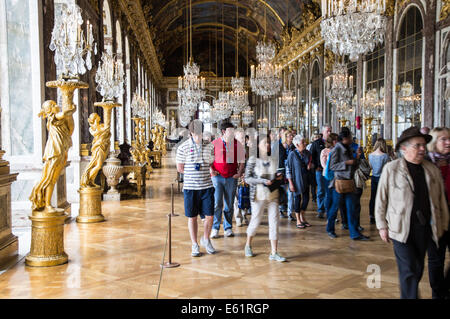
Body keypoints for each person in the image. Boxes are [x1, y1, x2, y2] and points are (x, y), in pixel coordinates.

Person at [375, 126, 449, 299]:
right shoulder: (392, 169)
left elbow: (440, 200)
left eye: (424, 145)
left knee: (417, 269)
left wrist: (443, 224)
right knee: (408, 270)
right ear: (404, 148)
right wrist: (381, 226)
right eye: (418, 145)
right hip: (401, 229)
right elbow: (381, 199)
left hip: (424, 229)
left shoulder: (431, 169)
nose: (423, 149)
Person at [176, 120, 216, 257]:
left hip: (206, 186)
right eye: (195, 133)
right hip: (191, 188)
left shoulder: (209, 146)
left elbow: (211, 163)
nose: (198, 136)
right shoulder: (183, 148)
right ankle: (194, 244)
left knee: (210, 216)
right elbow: (180, 168)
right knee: (192, 217)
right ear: (191, 133)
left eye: (200, 133)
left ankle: (206, 238)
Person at [244, 133, 286, 262]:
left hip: (273, 194)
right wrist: (262, 180)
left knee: (274, 222)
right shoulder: (253, 160)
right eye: (264, 143)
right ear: (258, 145)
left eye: (268, 142)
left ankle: (274, 251)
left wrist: (277, 176)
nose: (267, 145)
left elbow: (274, 174)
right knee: (255, 220)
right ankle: (248, 245)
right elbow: (247, 178)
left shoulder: (273, 159)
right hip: (259, 194)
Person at [326, 129, 369, 240]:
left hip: (349, 182)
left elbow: (353, 166)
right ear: (345, 138)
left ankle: (354, 233)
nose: (352, 139)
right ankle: (330, 229)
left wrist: (358, 157)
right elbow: (332, 166)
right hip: (339, 183)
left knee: (352, 208)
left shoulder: (349, 149)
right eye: (350, 137)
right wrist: (346, 163)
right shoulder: (337, 149)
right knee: (335, 208)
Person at [210, 122, 245, 238]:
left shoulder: (237, 144)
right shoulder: (214, 144)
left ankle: (228, 227)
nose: (233, 132)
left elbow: (242, 161)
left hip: (231, 178)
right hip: (218, 177)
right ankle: (215, 228)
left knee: (229, 204)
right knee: (217, 204)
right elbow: (208, 159)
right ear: (224, 131)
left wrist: (239, 172)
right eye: (231, 130)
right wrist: (211, 170)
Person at [427, 127, 450, 298]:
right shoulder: (426, 164)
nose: (448, 142)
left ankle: (445, 288)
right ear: (434, 142)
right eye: (443, 139)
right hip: (434, 218)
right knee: (436, 259)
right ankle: (438, 293)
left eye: (449, 139)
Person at [286, 135, 312, 229]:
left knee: (306, 199)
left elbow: (309, 163)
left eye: (305, 142)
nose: (305, 144)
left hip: (306, 178)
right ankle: (298, 219)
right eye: (303, 142)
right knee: (297, 198)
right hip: (296, 179)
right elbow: (288, 169)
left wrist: (310, 165)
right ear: (297, 145)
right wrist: (290, 183)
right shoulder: (292, 154)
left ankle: (302, 215)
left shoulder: (307, 153)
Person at [310, 125, 332, 218]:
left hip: (330, 170)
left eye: (330, 131)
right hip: (319, 170)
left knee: (329, 190)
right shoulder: (316, 143)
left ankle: (328, 209)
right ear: (323, 132)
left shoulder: (332, 143)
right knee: (321, 190)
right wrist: (315, 166)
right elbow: (311, 156)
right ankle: (320, 209)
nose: (329, 133)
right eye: (327, 131)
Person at [368, 138, 390, 224]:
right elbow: (387, 167)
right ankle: (382, 216)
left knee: (373, 197)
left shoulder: (370, 155)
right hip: (382, 178)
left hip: (374, 177)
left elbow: (370, 167)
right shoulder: (385, 156)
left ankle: (371, 216)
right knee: (383, 197)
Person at [233, 128, 249, 227]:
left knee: (245, 196)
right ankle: (238, 217)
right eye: (241, 137)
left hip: (246, 176)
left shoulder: (248, 149)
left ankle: (244, 214)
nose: (243, 139)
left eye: (244, 137)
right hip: (236, 177)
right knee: (236, 199)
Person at [320, 133, 338, 216]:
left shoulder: (338, 150)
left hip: (337, 176)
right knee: (328, 195)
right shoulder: (324, 151)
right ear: (334, 141)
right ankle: (328, 213)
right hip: (328, 175)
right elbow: (323, 164)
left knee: (335, 196)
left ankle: (333, 214)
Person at [280, 130, 295, 220]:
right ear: (286, 137)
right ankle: (281, 210)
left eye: (292, 136)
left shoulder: (293, 147)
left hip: (290, 172)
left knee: (290, 193)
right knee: (282, 192)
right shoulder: (280, 147)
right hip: (281, 172)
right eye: (290, 136)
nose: (292, 137)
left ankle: (290, 213)